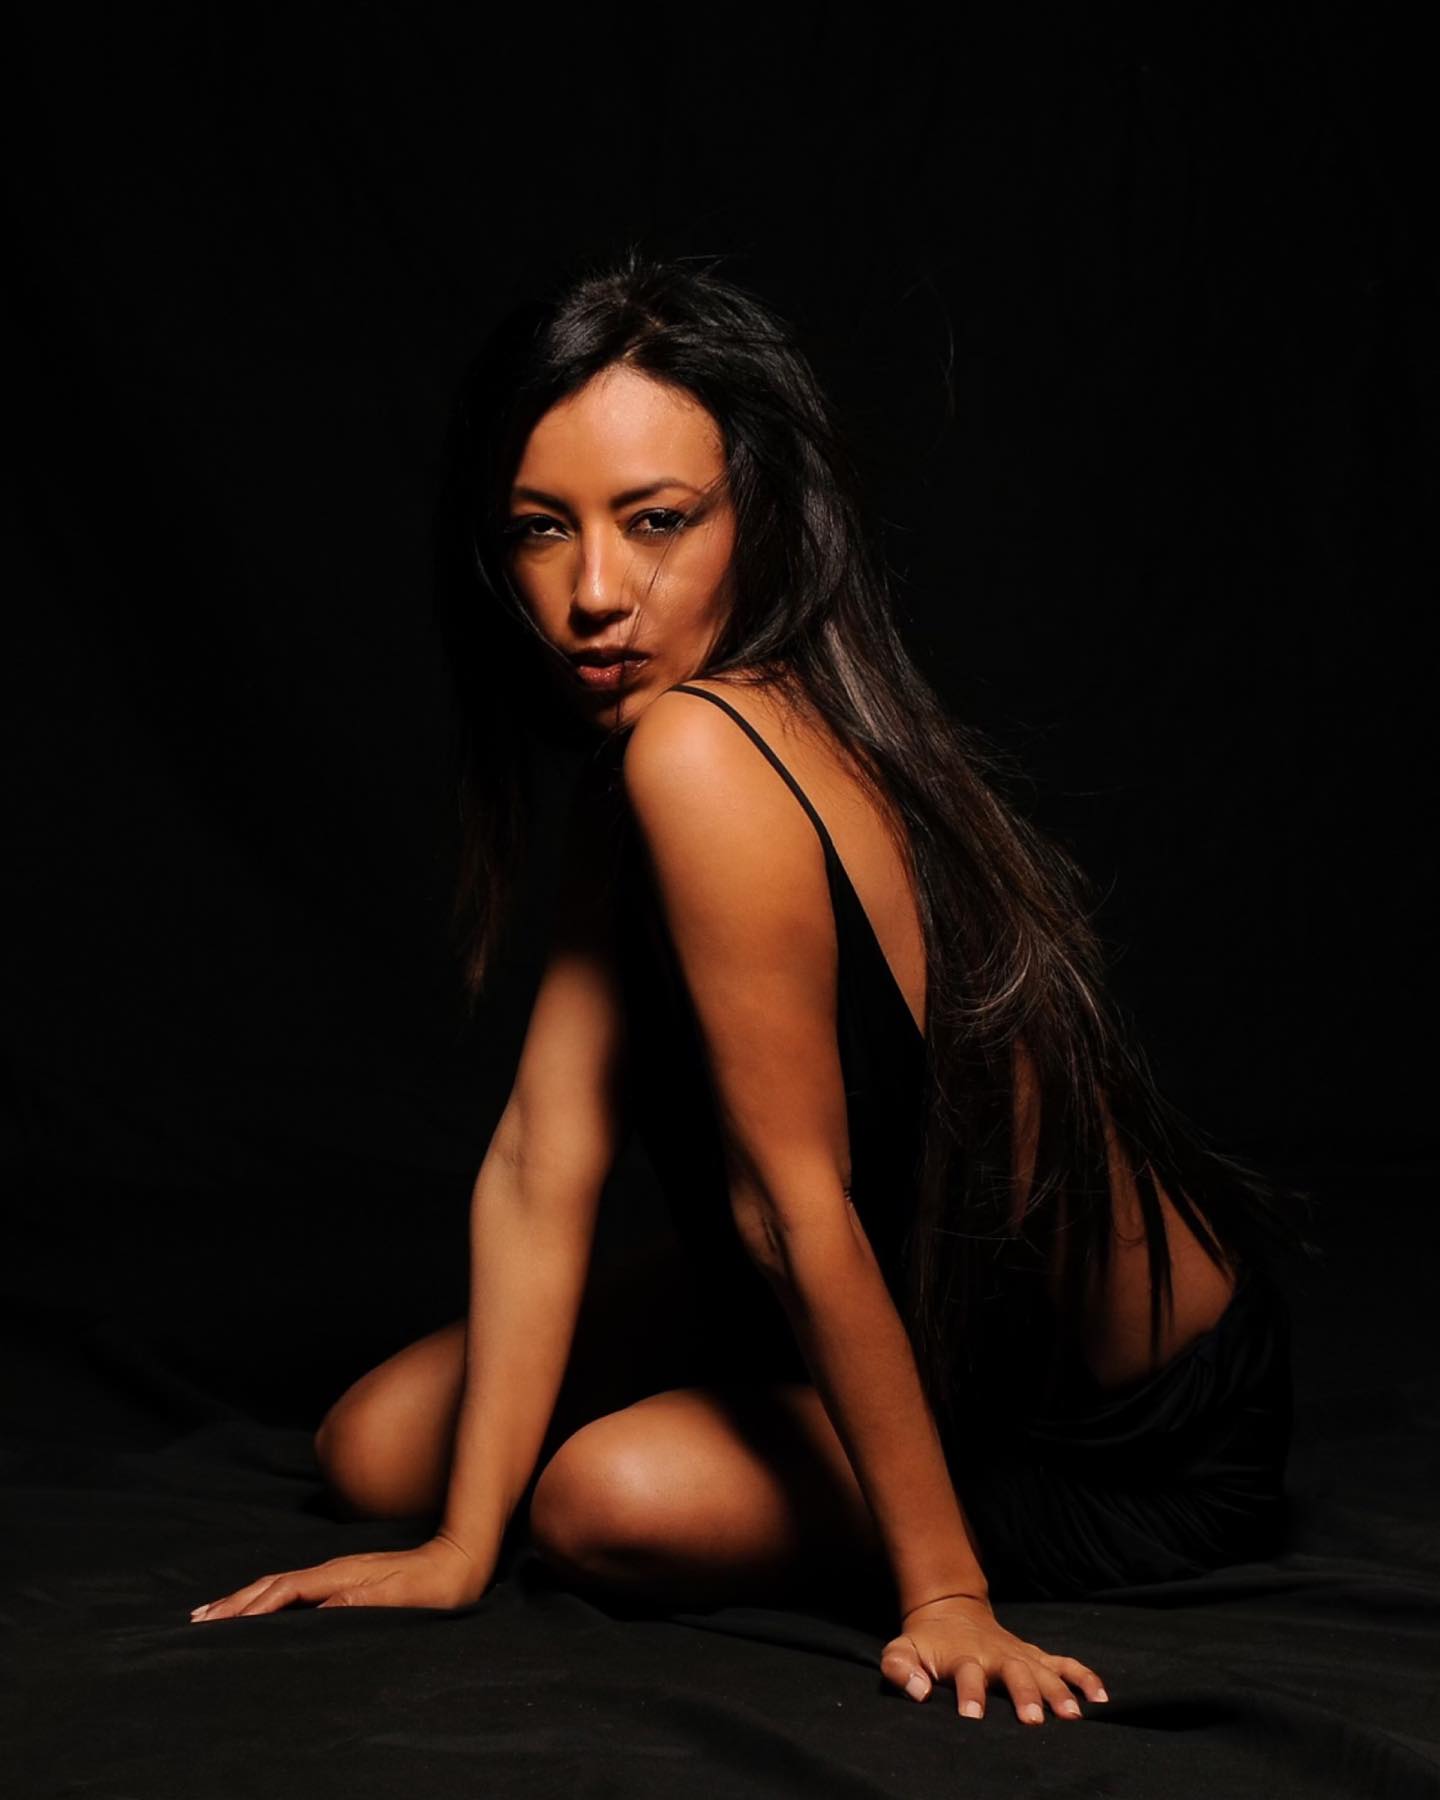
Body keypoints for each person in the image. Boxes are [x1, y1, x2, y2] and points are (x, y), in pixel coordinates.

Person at [187, 247, 1310, 1728]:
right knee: (377, 1449)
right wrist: (455, 1551)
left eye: (657, 521)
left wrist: (946, 1597)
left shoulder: (703, 748)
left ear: (764, 516)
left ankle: (915, 1512)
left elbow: (791, 1207)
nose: (595, 594)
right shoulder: (654, 751)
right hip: (887, 1284)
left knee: (599, 1500)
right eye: (542, 530)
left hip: (1101, 1421)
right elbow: (540, 1156)